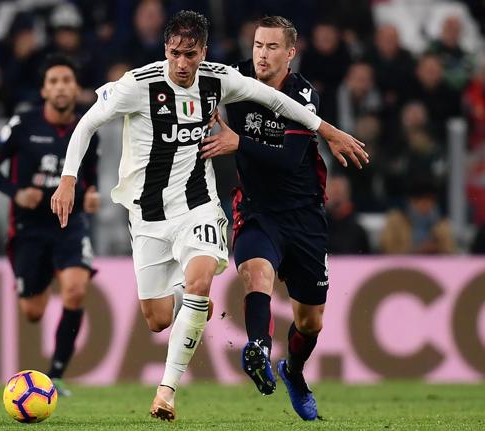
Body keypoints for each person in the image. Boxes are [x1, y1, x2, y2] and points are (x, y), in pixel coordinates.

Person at [51, 10, 367, 421]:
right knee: (157, 319)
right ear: (166, 50)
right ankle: (190, 311)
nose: (183, 64)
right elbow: (87, 122)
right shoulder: (137, 85)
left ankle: (166, 392)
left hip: (198, 205)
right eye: (175, 54)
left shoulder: (218, 79)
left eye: (191, 55)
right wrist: (68, 178)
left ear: (203, 52)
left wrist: (327, 130)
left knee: (201, 282)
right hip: (146, 216)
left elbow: (274, 99)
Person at [199, 16, 367, 420]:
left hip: (304, 214)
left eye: (272, 47)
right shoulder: (236, 77)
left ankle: (292, 371)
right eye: (258, 45)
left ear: (290, 53)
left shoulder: (303, 93)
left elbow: (289, 160)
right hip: (256, 207)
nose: (262, 54)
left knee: (310, 322)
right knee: (257, 274)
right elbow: (193, 74)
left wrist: (239, 142)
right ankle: (257, 346)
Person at [0, 55, 100, 396]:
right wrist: (16, 193)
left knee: (76, 290)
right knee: (33, 312)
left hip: (68, 223)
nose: (61, 86)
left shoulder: (87, 128)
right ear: (44, 90)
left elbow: (88, 177)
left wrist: (90, 194)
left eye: (67, 80)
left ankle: (57, 375)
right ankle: (42, 275)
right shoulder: (23, 124)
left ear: (76, 89)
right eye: (54, 81)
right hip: (29, 228)